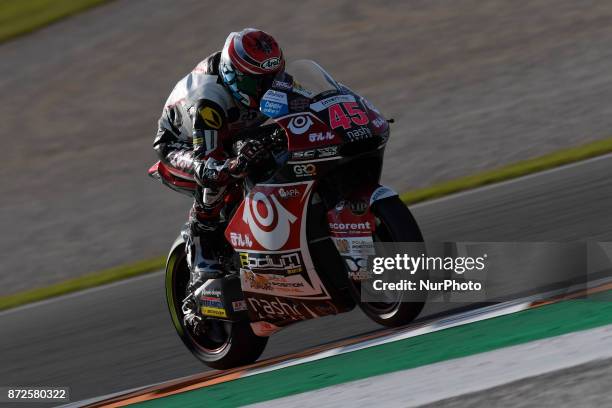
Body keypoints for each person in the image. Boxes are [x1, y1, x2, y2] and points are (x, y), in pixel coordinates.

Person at [152, 28, 285, 327]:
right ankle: (202, 261)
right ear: (234, 74)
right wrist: (233, 165)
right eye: (258, 82)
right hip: (184, 144)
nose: (268, 87)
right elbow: (209, 161)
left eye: (273, 77)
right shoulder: (208, 100)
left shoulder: (267, 77)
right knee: (217, 178)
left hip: (237, 129)